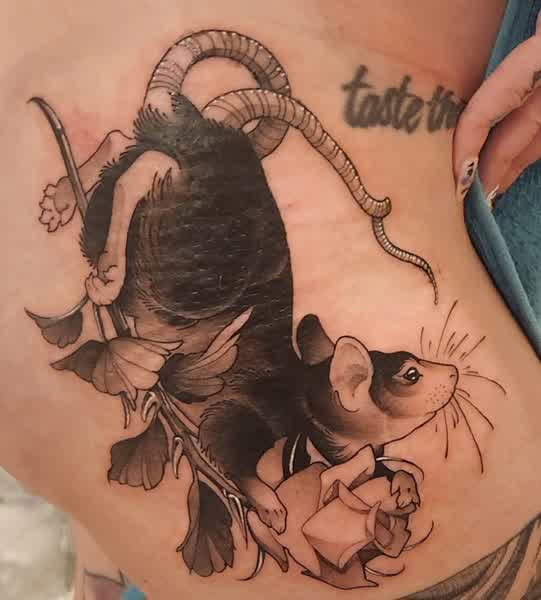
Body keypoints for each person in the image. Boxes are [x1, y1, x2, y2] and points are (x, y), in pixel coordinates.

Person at [1, 2, 540, 599]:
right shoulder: (282, 400)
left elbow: (226, 435)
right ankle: (138, 167)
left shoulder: (293, 412)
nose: (448, 378)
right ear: (351, 380)